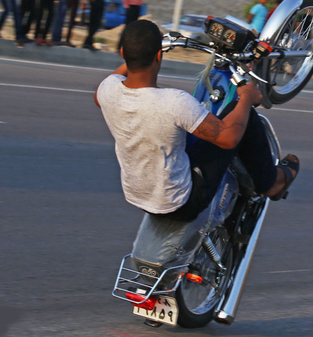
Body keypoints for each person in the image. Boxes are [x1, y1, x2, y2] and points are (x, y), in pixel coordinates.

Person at [95, 20, 300, 222]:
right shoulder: (174, 102)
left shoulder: (107, 89)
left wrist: (137, 53)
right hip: (181, 202)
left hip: (137, 195)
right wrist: (246, 98)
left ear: (123, 54)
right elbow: (228, 138)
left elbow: (116, 78)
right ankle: (272, 183)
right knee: (239, 115)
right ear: (159, 55)